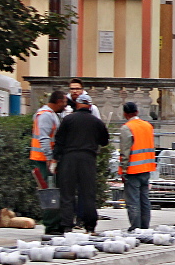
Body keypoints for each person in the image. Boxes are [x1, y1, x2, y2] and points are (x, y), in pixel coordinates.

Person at [53, 93, 109, 233]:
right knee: (87, 193)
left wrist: (55, 159)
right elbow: (104, 141)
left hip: (69, 158)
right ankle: (90, 225)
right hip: (88, 159)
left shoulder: (68, 119)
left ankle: (66, 225)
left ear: (77, 105)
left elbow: (59, 141)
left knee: (67, 193)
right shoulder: (97, 122)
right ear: (90, 106)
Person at [29, 91, 67, 235]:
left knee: (51, 192)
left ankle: (54, 224)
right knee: (49, 193)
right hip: (43, 160)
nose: (65, 105)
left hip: (43, 159)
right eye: (64, 102)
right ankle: (51, 226)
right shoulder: (46, 115)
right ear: (57, 101)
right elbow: (44, 138)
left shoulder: (48, 114)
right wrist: (50, 158)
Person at [119, 102, 155, 231]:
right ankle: (145, 226)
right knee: (144, 199)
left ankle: (135, 227)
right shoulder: (148, 126)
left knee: (133, 200)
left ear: (125, 113)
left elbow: (125, 151)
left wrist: (123, 170)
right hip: (147, 167)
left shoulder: (126, 128)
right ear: (137, 112)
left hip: (132, 169)